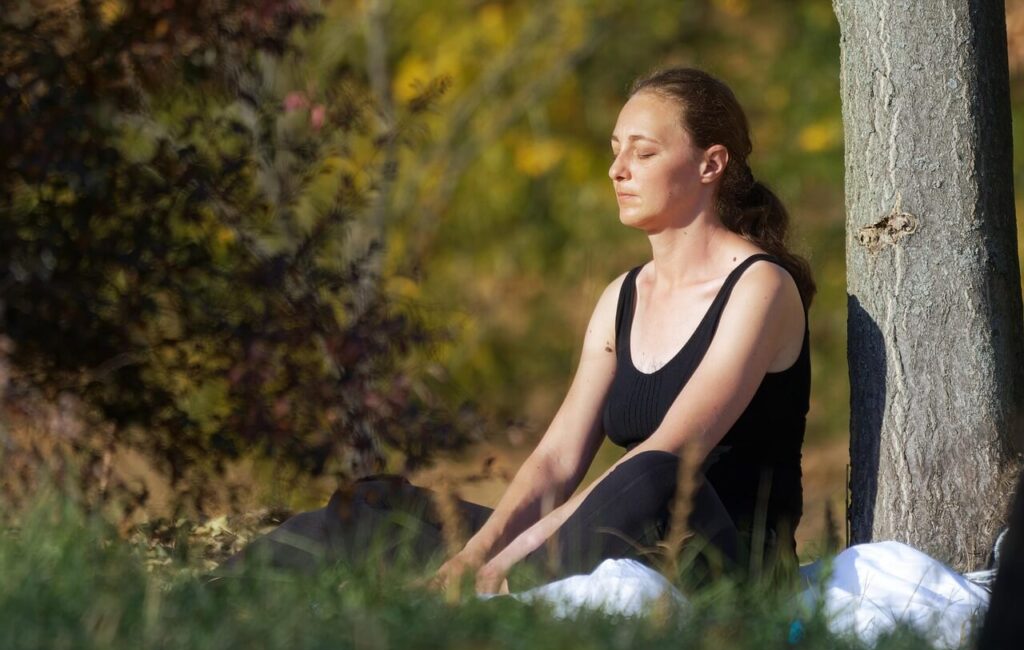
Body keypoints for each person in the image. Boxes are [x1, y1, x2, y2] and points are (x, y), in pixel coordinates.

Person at [220, 67, 814, 595]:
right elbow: (557, 461)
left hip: (724, 572)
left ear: (711, 164)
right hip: (610, 543)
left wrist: (506, 562)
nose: (617, 170)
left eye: (644, 152)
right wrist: (475, 553)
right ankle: (203, 601)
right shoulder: (623, 297)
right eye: (615, 150)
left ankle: (502, 596)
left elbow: (673, 454)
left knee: (654, 468)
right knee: (377, 507)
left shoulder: (760, 287)